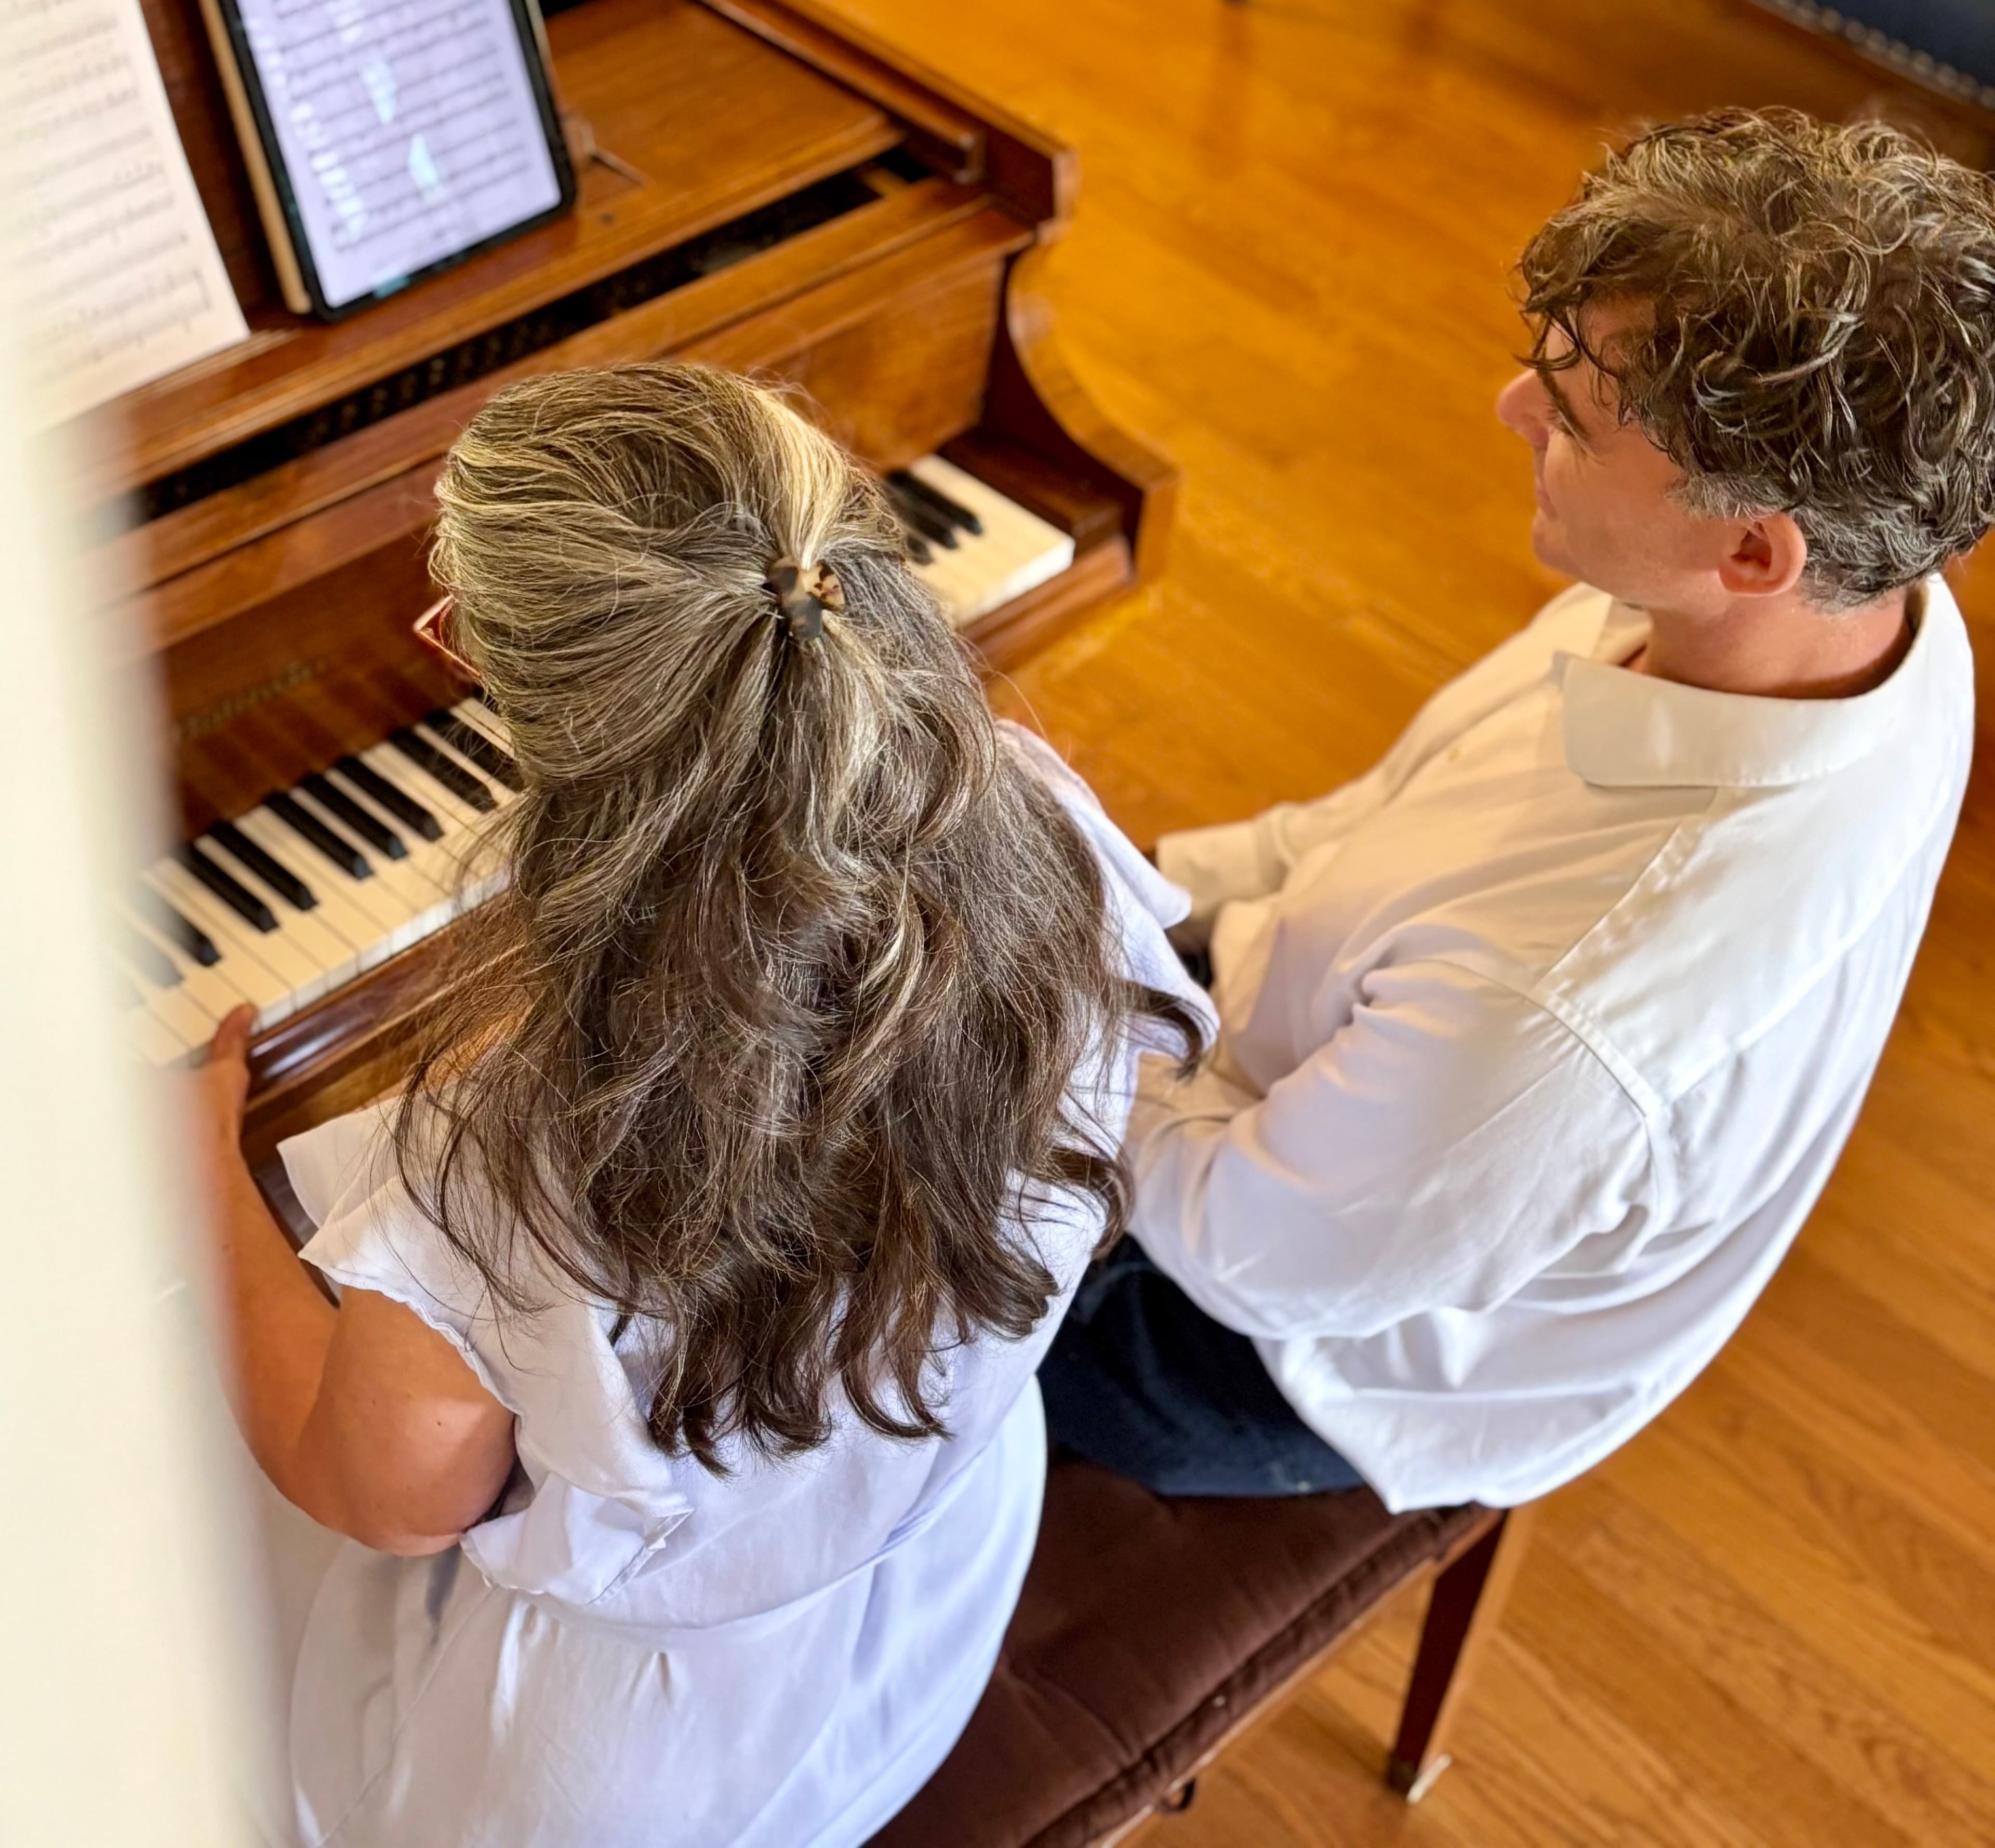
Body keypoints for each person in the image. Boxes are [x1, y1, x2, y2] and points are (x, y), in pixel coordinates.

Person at [188, 361, 1207, 1848]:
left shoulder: (529, 1148)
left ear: (462, 655)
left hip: (622, 1752)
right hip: (919, 1538)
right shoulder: (1031, 812)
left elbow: (389, 1498)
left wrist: (183, 1168)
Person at [1041, 108, 1994, 1513]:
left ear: (1751, 547)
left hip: (1272, 1342)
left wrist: (1055, 1014)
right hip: (1300, 1089)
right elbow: (1380, 820)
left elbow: (1262, 1252)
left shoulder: (1566, 999)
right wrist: (1134, 890)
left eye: (1580, 412)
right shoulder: (1855, 610)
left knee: (789, 1266)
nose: (1513, 408)